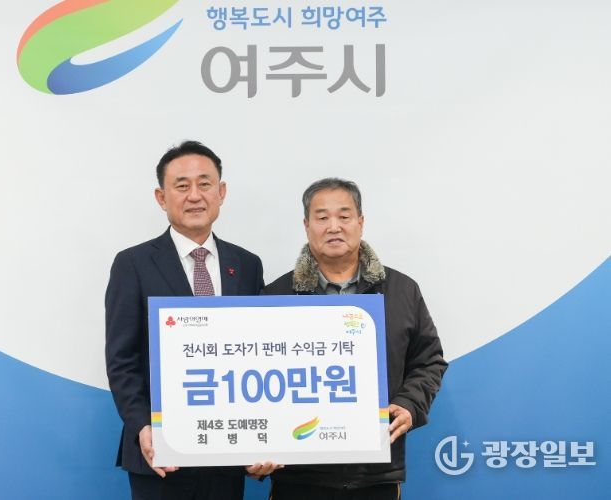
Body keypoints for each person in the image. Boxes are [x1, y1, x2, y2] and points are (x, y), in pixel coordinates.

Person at [105, 141, 276, 500]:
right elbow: (122, 361)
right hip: (161, 454)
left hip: (228, 453)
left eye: (205, 184)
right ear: (161, 197)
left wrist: (264, 437)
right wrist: (142, 426)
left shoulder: (247, 265)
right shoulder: (133, 264)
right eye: (182, 186)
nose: (194, 195)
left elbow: (258, 356)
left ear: (221, 192)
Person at [263, 178, 447, 500]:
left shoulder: (402, 290)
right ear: (306, 226)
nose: (334, 226)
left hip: (375, 476)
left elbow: (428, 361)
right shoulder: (276, 296)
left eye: (344, 216)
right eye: (322, 217)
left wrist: (409, 405)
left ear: (360, 222)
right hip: (299, 476)